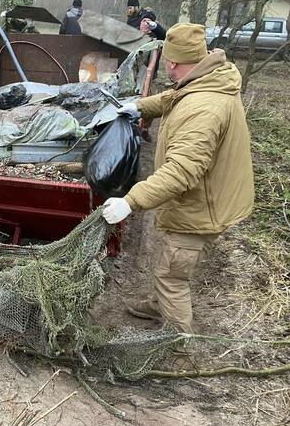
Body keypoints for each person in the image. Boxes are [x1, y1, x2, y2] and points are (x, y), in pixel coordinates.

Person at [102, 23, 254, 336]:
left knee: (171, 277)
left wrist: (130, 201)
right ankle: (160, 305)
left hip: (203, 206)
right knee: (169, 264)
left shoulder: (204, 109)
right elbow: (174, 97)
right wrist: (140, 107)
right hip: (210, 194)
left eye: (167, 63)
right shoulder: (205, 79)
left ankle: (178, 347)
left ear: (171, 63)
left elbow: (181, 171)